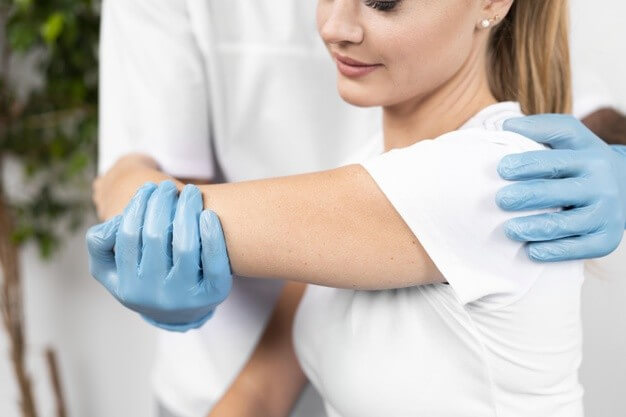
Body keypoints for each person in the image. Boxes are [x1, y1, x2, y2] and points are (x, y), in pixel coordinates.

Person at [89, 0, 626, 416]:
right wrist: (129, 192)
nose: (332, 27)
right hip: (207, 366)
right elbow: (260, 390)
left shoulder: (494, 180)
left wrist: (123, 178)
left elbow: (161, 213)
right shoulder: (365, 168)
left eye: (383, 0)